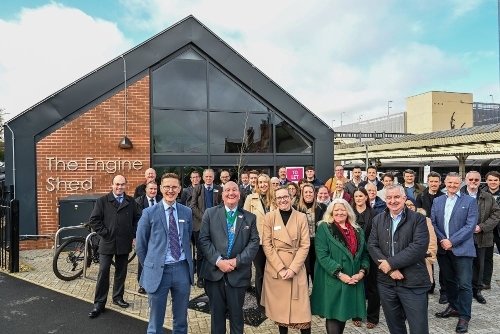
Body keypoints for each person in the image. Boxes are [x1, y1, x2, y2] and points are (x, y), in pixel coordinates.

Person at [135, 173, 194, 334]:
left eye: (174, 187)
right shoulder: (149, 213)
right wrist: (150, 265)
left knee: (181, 320)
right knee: (155, 323)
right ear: (161, 188)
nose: (170, 190)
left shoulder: (186, 212)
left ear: (180, 189)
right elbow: (140, 245)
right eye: (167, 186)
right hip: (158, 272)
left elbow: (187, 237)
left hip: (181, 269)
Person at [368, 185, 431, 334]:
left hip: (413, 283)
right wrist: (389, 271)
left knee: (418, 328)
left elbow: (418, 247)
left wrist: (390, 264)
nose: (393, 201)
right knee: (395, 328)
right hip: (387, 283)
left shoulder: (418, 219)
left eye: (396, 197)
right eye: (389, 197)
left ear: (404, 198)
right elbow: (372, 245)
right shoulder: (378, 219)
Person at [198, 181, 260, 334]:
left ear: (239, 194)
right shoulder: (210, 213)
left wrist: (236, 261)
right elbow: (204, 240)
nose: (231, 193)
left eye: (234, 190)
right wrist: (219, 262)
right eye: (227, 190)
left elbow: (254, 243)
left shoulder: (249, 218)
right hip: (214, 274)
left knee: (237, 317)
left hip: (238, 275)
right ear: (222, 194)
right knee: (217, 318)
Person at [310, 198, 370, 334]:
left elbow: (365, 254)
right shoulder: (324, 227)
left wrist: (361, 272)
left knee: (342, 314)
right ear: (331, 212)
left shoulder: (358, 230)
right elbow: (322, 255)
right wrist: (340, 274)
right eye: (336, 209)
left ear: (348, 211)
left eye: (342, 209)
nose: (339, 212)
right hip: (333, 278)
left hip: (353, 278)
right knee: (333, 314)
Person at [88, 175, 141, 318]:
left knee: (121, 271)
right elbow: (94, 220)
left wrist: (132, 233)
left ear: (126, 185)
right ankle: (99, 303)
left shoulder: (131, 202)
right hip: (107, 242)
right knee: (103, 271)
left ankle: (118, 297)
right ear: (112, 185)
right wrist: (106, 233)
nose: (120, 187)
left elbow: (138, 218)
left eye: (122, 184)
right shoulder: (102, 201)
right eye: (117, 184)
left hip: (124, 242)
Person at [432, 172, 478, 334]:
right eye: (450, 182)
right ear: (445, 182)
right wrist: (443, 240)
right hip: (444, 249)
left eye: (456, 183)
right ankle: (454, 306)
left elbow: (470, 225)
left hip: (462, 250)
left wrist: (452, 241)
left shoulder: (469, 201)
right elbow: (433, 223)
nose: (452, 185)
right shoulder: (437, 201)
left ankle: (464, 316)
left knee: (465, 284)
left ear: (461, 183)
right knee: (449, 281)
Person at [261, 186, 311, 334]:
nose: (282, 200)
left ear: (291, 197)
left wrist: (293, 268)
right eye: (279, 198)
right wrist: (281, 268)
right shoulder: (269, 217)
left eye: (285, 197)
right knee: (280, 314)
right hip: (277, 271)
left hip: (296, 269)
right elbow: (267, 244)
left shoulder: (301, 217)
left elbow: (305, 245)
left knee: (303, 315)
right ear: (275, 201)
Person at [460, 171, 500, 304]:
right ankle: (462, 290)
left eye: (476, 180)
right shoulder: (458, 195)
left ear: (480, 181)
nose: (473, 182)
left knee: (479, 264)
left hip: (480, 236)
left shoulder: (487, 197)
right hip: (462, 237)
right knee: (462, 265)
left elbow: (496, 214)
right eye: (470, 179)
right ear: (466, 180)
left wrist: (481, 227)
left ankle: (477, 290)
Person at [243, 173, 276, 313]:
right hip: (259, 242)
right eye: (260, 182)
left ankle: (274, 300)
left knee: (274, 272)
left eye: (265, 182)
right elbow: (245, 220)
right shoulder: (251, 198)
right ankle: (261, 303)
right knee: (260, 272)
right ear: (257, 184)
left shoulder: (274, 199)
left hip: (274, 242)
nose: (263, 185)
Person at [351, 187, 379, 329]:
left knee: (373, 286)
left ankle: (373, 317)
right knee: (356, 284)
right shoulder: (349, 213)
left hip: (370, 253)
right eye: (356, 196)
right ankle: (356, 314)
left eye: (361, 196)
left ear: (366, 197)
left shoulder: (374, 214)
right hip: (353, 254)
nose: (358, 198)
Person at [189, 169, 223, 288]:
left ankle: (214, 275)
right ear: (203, 178)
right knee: (201, 253)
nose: (208, 178)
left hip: (215, 226)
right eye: (206, 177)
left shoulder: (219, 189)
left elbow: (221, 205)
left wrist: (213, 218)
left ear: (213, 178)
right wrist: (205, 218)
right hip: (200, 226)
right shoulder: (198, 188)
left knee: (215, 251)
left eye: (210, 176)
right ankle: (200, 277)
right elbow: (192, 205)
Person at [416, 171, 446, 299]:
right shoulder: (421, 196)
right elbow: (418, 215)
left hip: (441, 232)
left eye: (436, 181)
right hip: (427, 232)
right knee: (428, 259)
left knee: (444, 263)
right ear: (427, 182)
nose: (433, 184)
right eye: (431, 181)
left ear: (440, 183)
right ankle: (429, 285)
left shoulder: (444, 197)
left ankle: (444, 291)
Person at [295, 183, 327, 284]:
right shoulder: (296, 208)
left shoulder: (322, 207)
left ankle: (316, 297)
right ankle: (304, 298)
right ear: (302, 194)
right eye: (306, 192)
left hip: (317, 244)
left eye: (310, 192)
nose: (308, 194)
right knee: (303, 273)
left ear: (314, 193)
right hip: (302, 244)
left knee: (316, 273)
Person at [134, 181, 163, 294]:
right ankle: (143, 284)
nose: (153, 191)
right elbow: (135, 219)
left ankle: (157, 281)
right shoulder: (138, 201)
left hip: (158, 235)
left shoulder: (161, 200)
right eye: (151, 189)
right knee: (143, 258)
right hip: (144, 235)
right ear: (146, 189)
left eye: (155, 189)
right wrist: (135, 237)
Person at [482, 171, 500, 289]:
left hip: (499, 230)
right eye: (491, 180)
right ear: (487, 181)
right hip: (487, 229)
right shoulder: (482, 193)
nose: (493, 182)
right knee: (487, 256)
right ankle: (485, 281)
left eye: (495, 180)